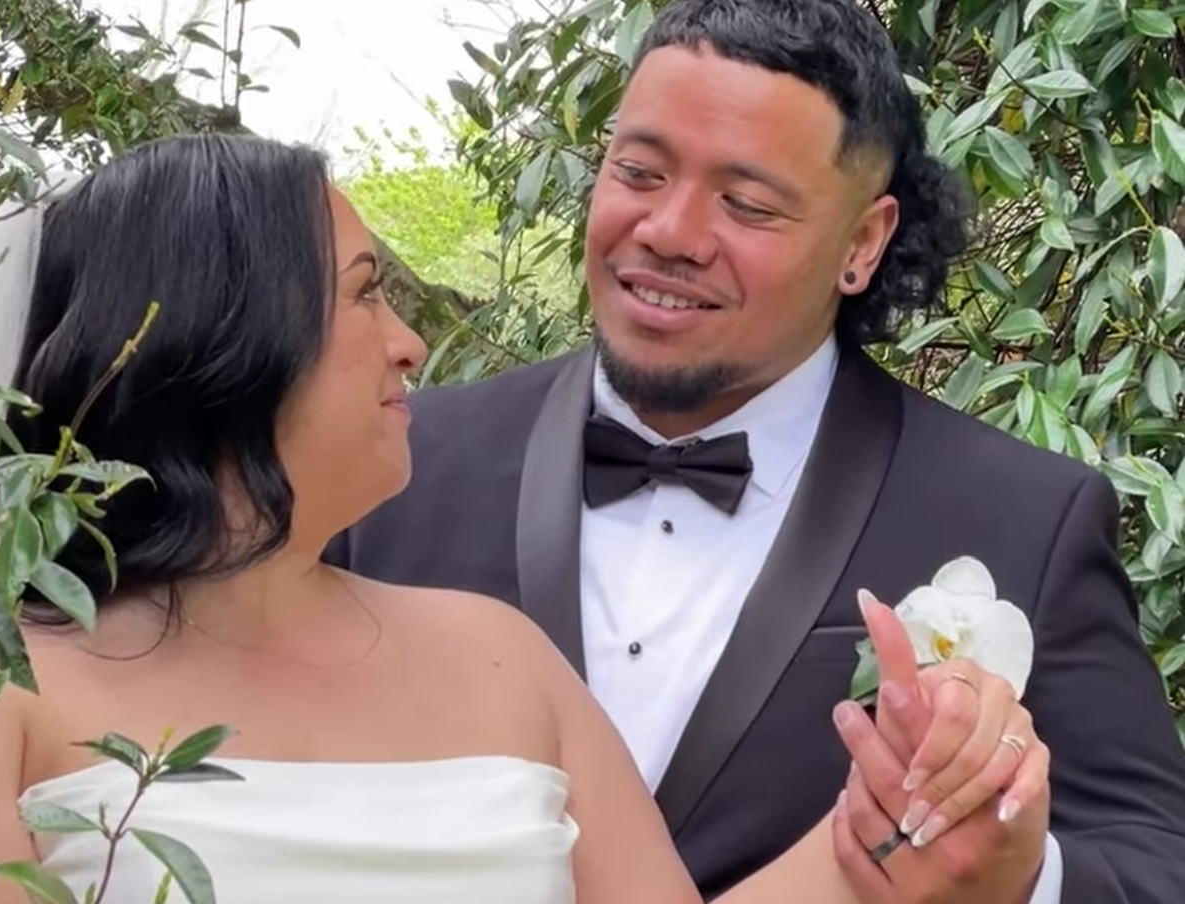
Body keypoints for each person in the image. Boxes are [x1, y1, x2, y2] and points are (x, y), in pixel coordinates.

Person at [0, 133, 1036, 904]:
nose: (408, 344)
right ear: (223, 345)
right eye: (364, 293)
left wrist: (891, 817)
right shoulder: (8, 688)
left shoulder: (502, 656)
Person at [324, 0, 1185, 902]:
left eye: (747, 204)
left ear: (863, 243)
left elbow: (1156, 867)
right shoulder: (392, 466)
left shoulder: (1022, 520)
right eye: (638, 172)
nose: (669, 233)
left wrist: (1021, 877)